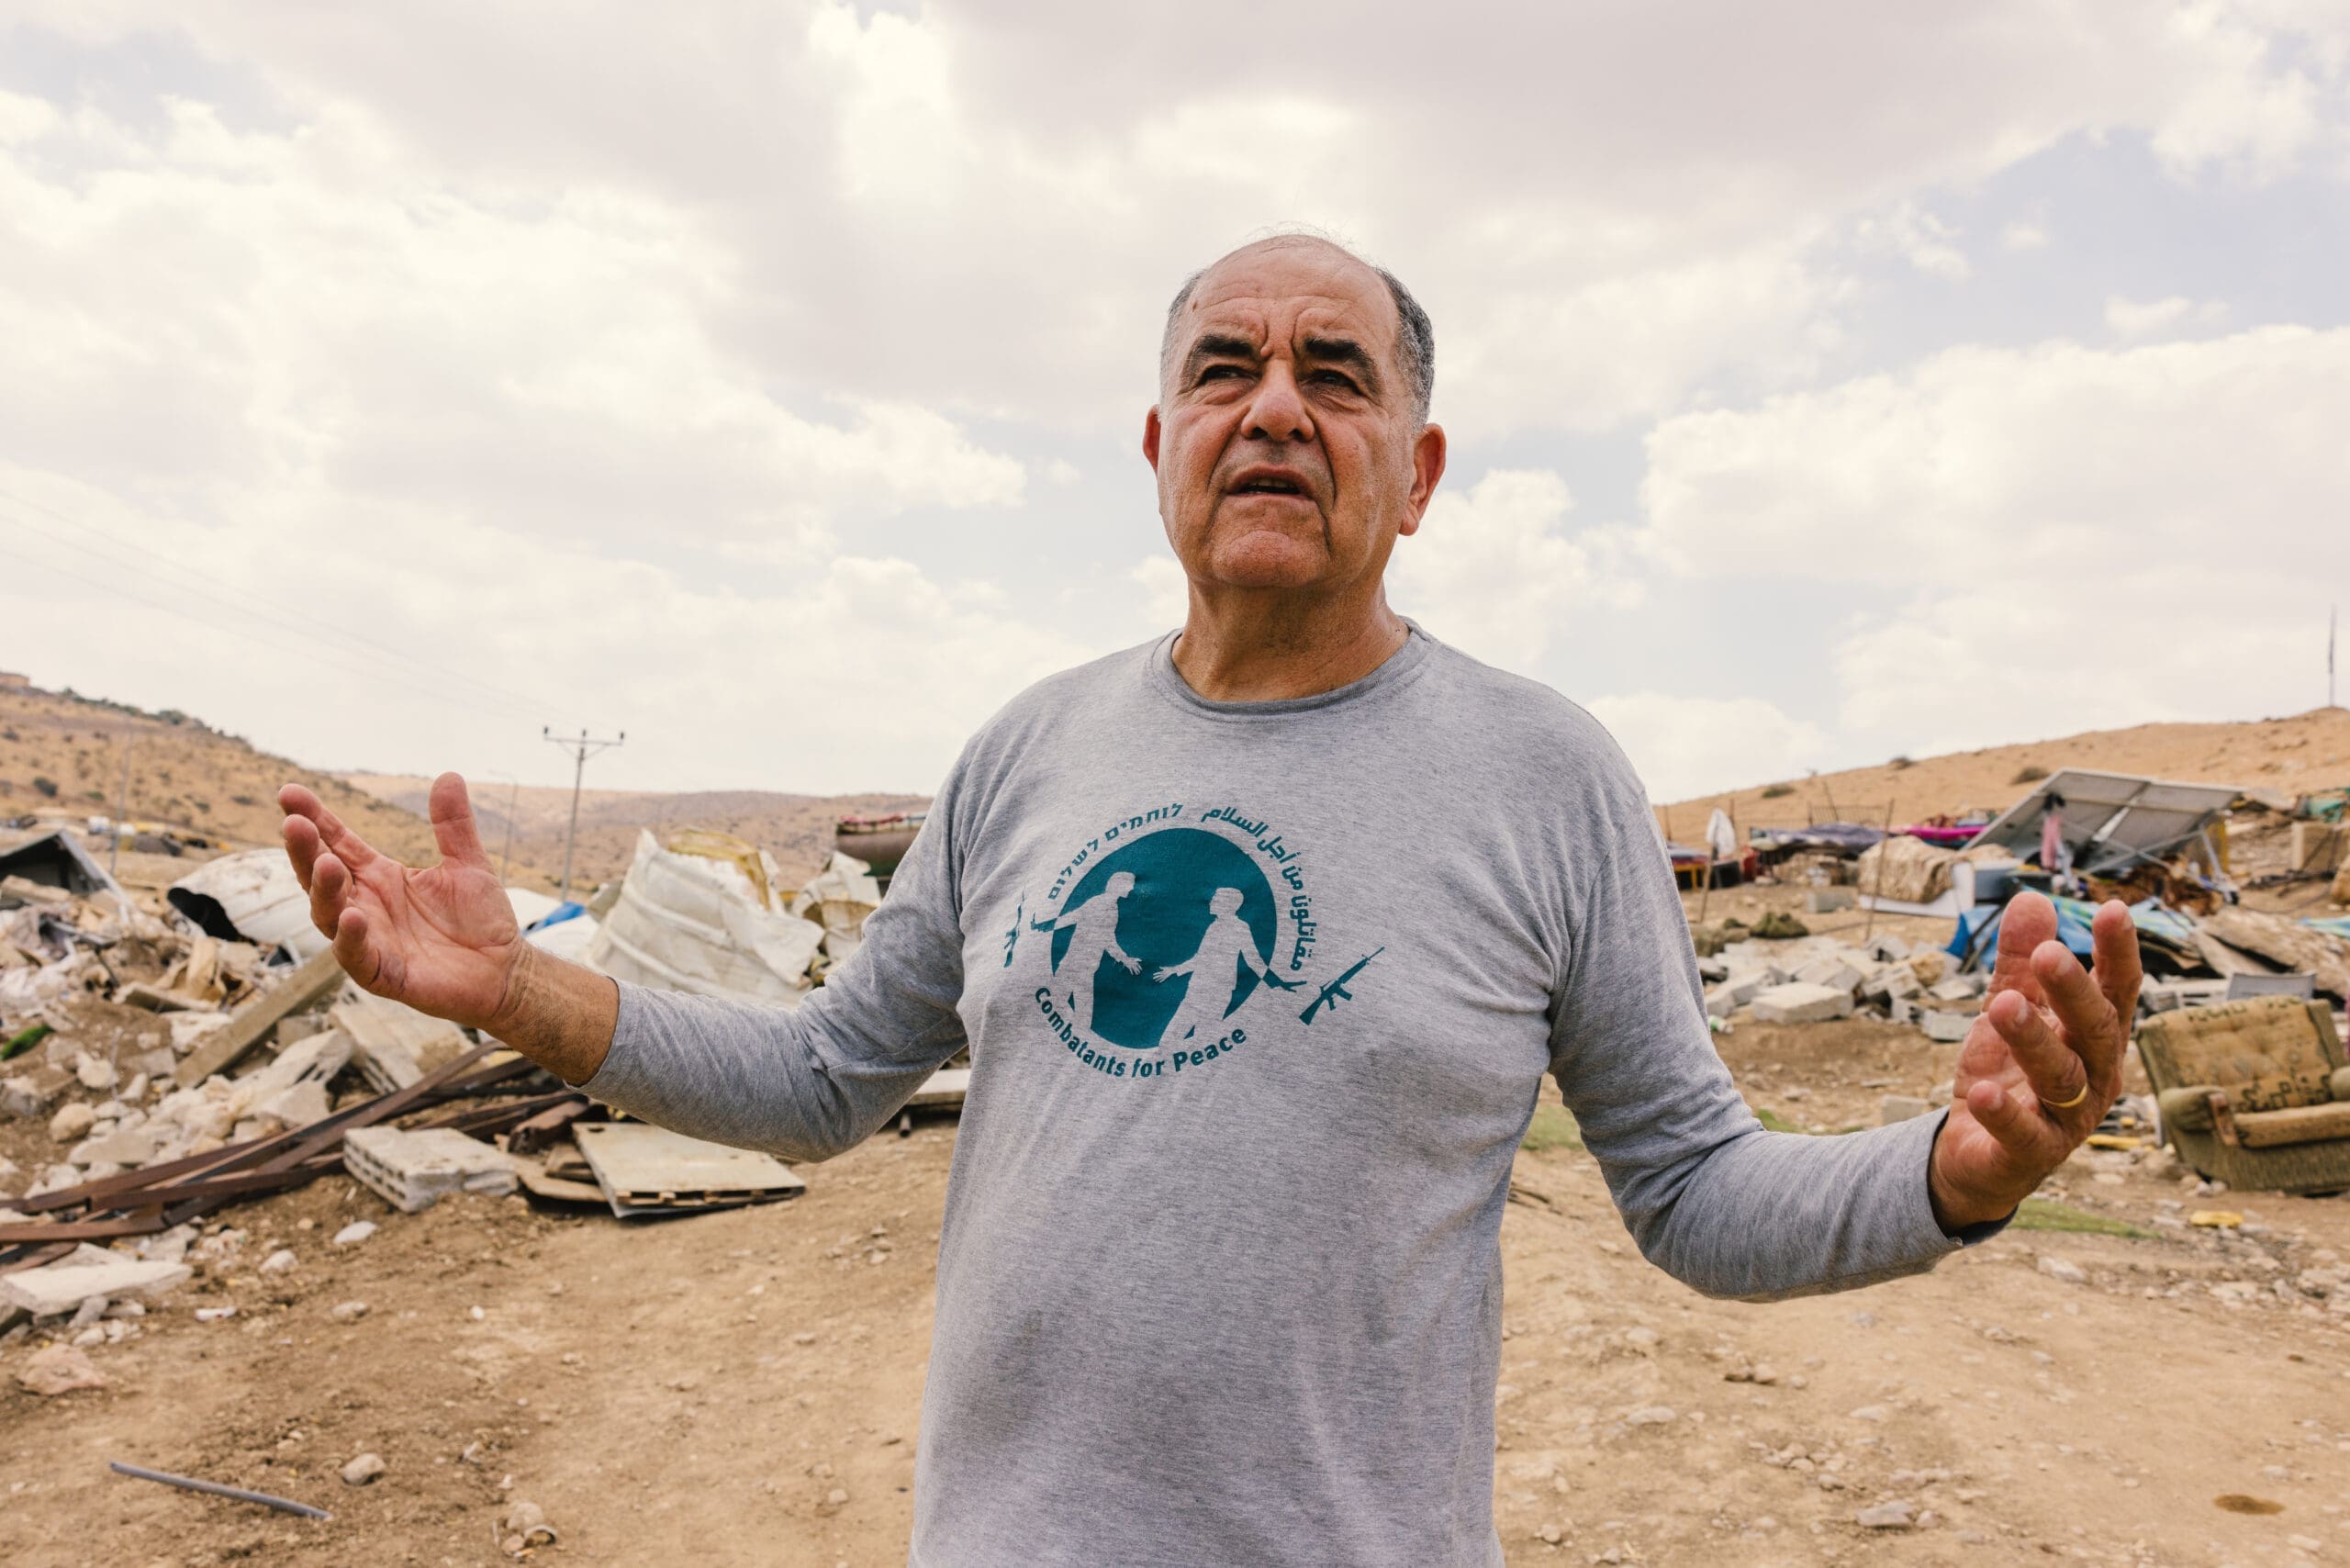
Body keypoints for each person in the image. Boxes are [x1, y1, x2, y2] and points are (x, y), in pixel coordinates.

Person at [278, 233, 2141, 1568]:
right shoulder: (1025, 752)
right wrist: (516, 990)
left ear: (1416, 472)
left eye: (1335, 374)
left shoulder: (1543, 776)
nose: (1273, 408)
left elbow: (1694, 1187)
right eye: (1224, 369)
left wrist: (1953, 1171)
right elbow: (823, 1076)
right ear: (1158, 442)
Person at [1152, 884, 1301, 1046]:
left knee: (1202, 1042)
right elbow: (1201, 958)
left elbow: (1253, 960)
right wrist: (1174, 970)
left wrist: (1275, 982)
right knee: (1168, 1041)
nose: (1211, 902)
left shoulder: (1240, 928)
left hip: (1217, 994)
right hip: (1197, 990)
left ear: (1227, 905)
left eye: (1215, 899)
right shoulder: (1213, 926)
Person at [1026, 868, 1143, 1032]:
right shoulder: (1102, 905)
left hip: (1083, 967)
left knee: (1071, 1015)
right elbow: (1106, 938)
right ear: (1117, 885)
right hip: (1076, 966)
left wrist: (1042, 927)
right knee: (1069, 1015)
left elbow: (1073, 919)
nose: (1131, 888)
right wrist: (1125, 959)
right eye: (1129, 885)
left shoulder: (1108, 905)